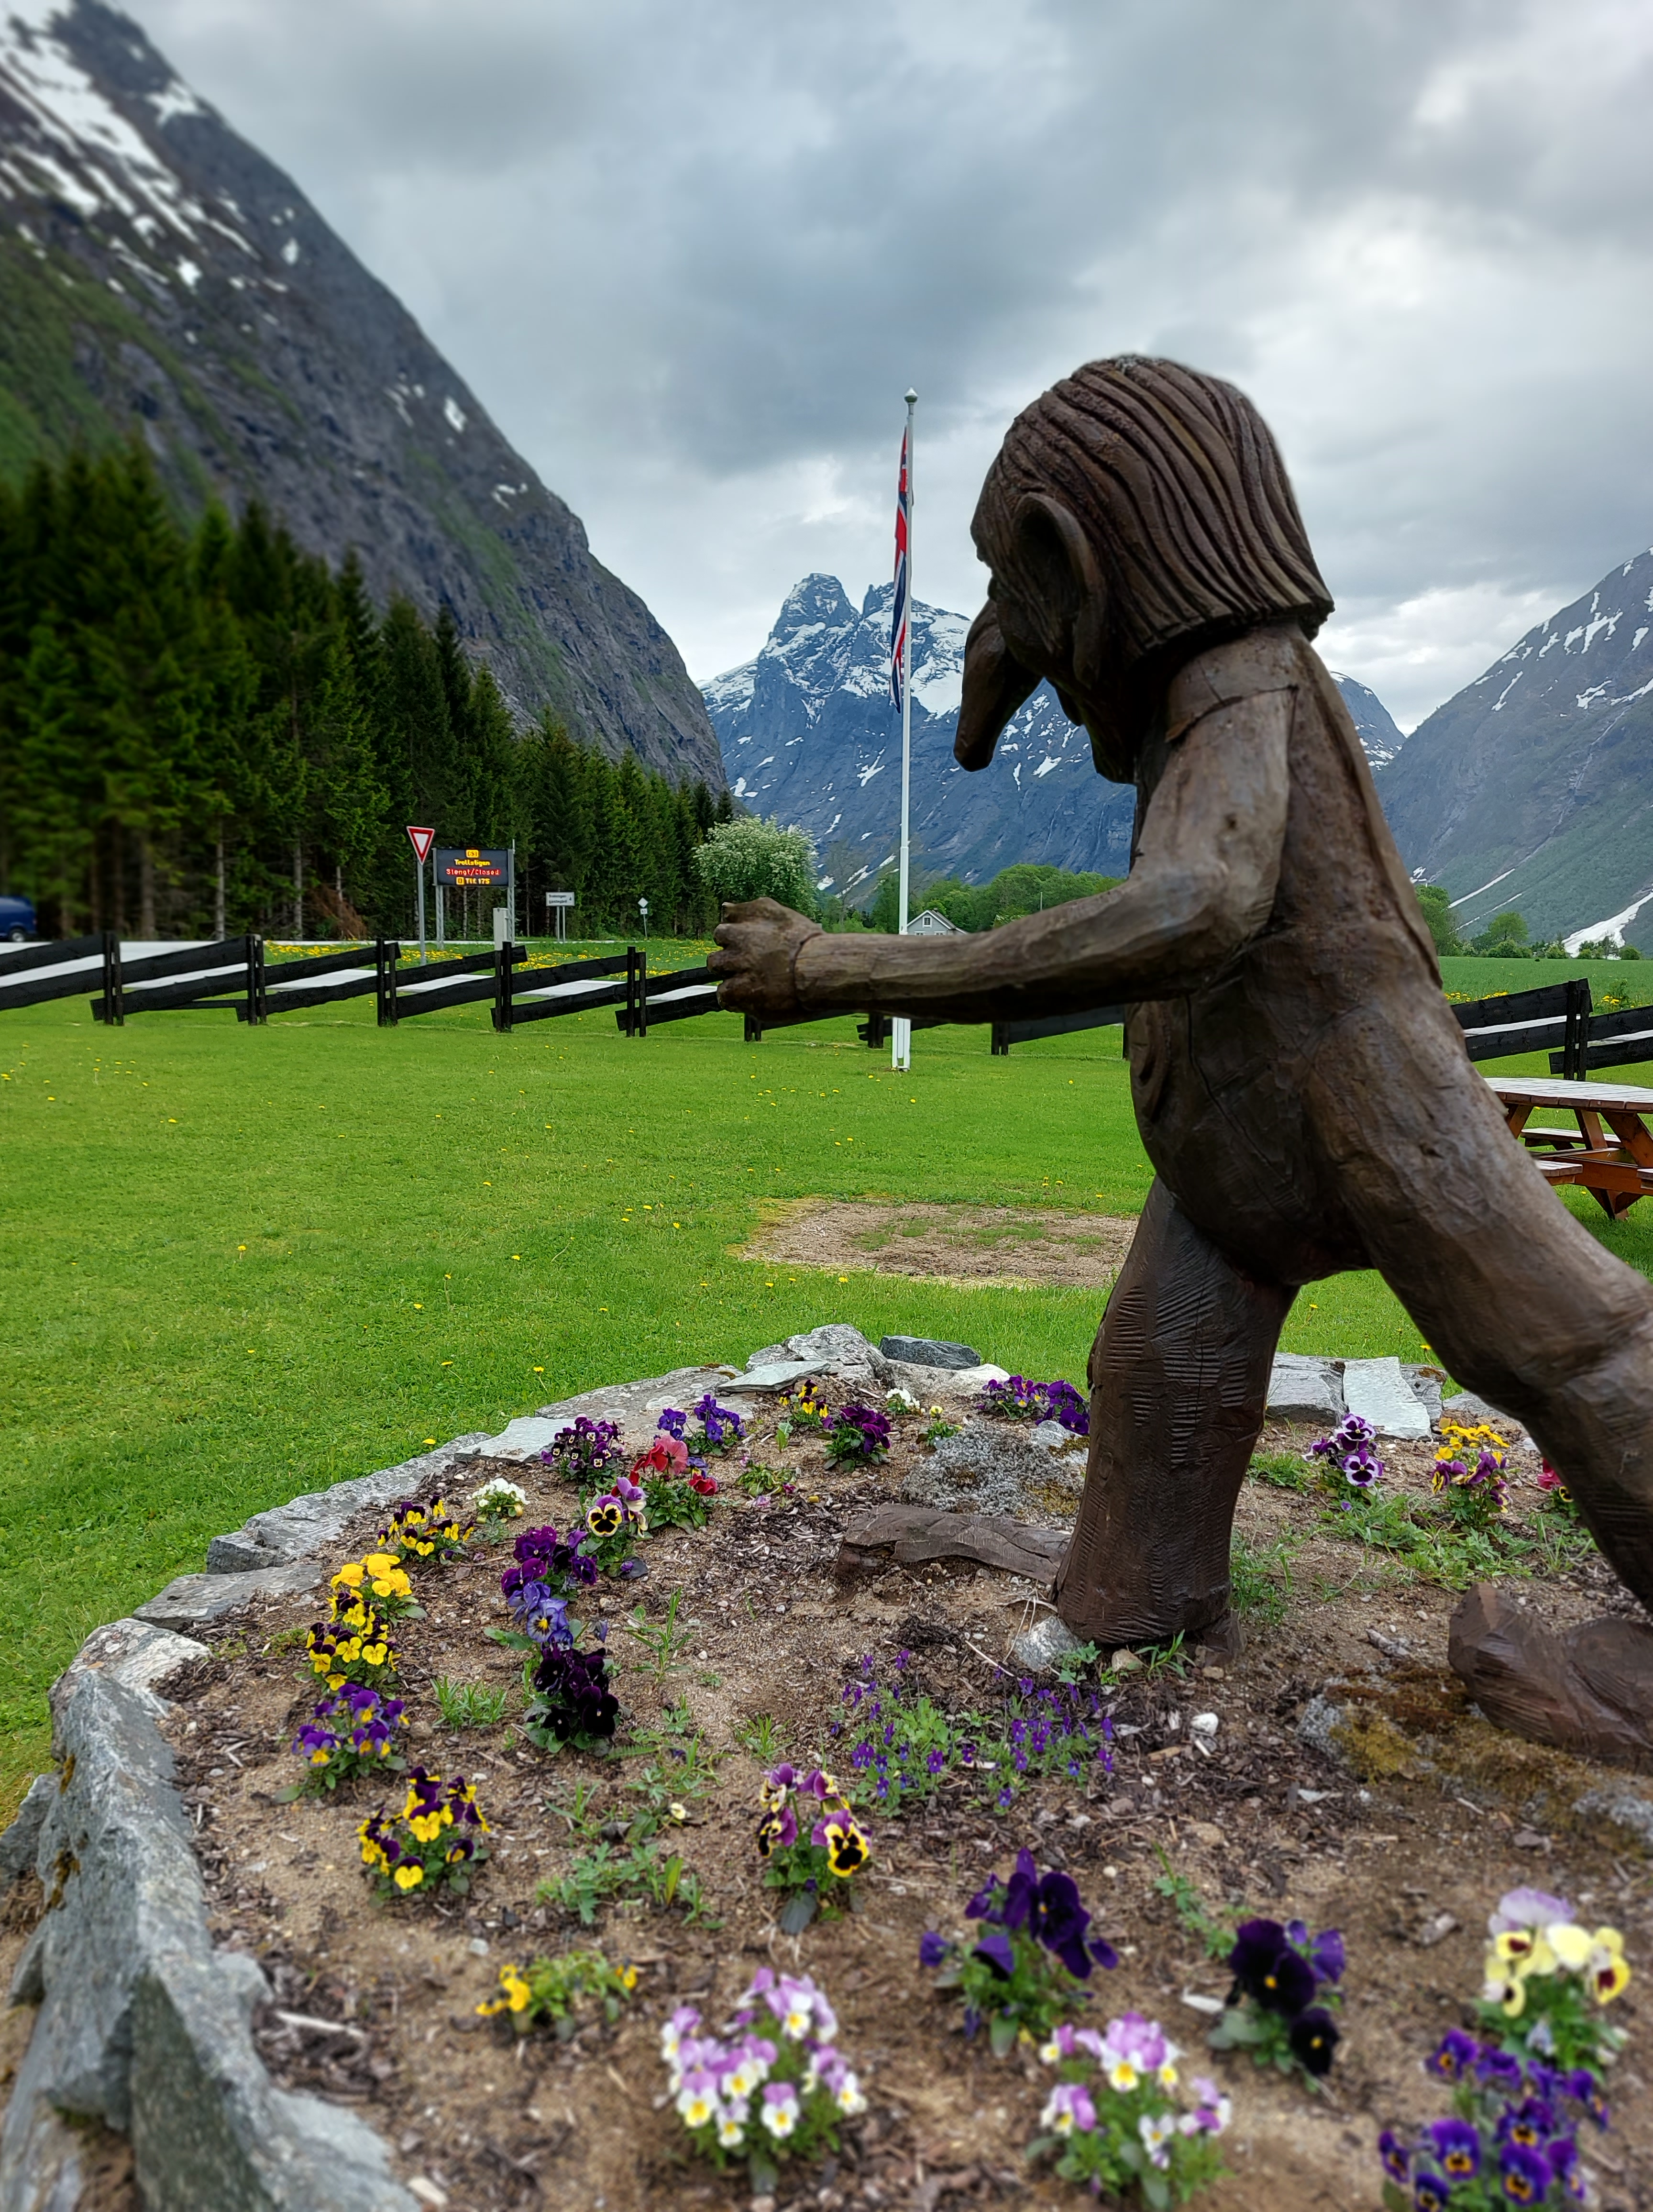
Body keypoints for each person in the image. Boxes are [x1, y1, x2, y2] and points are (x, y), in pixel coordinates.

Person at [710, 355, 1653, 1760]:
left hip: (1360, 1091)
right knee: (1161, 1355)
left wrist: (838, 967)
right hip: (1241, 1132)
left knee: (1560, 1337)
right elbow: (1026, 675)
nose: (1011, 630)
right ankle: (1138, 1593)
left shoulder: (1238, 679)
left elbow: (1197, 903)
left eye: (1017, 585)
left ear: (1077, 562)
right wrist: (995, 674)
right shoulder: (1192, 688)